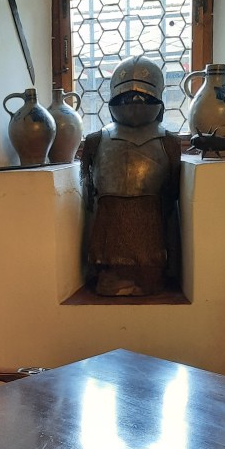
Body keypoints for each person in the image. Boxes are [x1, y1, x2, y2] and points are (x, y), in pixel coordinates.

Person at [80, 56, 181, 297]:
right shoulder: (96, 140)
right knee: (109, 264)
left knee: (150, 268)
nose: (135, 102)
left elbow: (171, 196)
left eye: (143, 97)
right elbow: (88, 194)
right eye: (127, 96)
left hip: (151, 224)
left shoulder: (169, 142)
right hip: (109, 222)